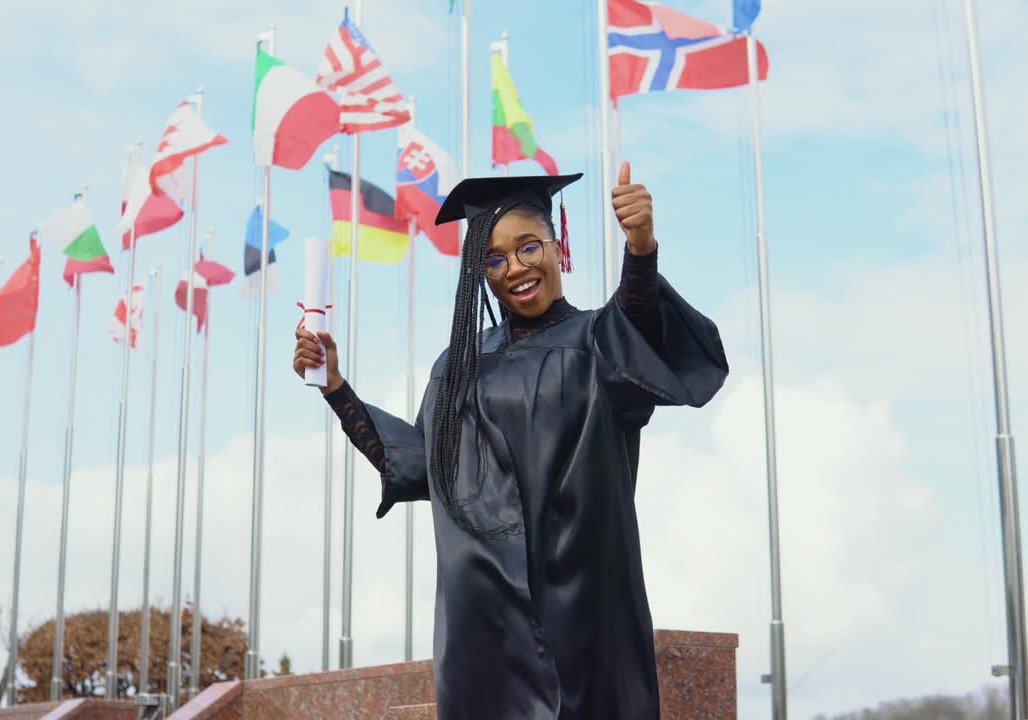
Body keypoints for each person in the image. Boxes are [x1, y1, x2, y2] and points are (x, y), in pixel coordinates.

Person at [292, 162, 728, 719]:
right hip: (487, 629)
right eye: (494, 259)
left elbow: (640, 329)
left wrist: (641, 250)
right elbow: (421, 464)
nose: (515, 268)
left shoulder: (597, 341)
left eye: (528, 247)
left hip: (584, 607)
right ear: (481, 274)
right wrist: (336, 388)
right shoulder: (459, 366)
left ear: (557, 244)